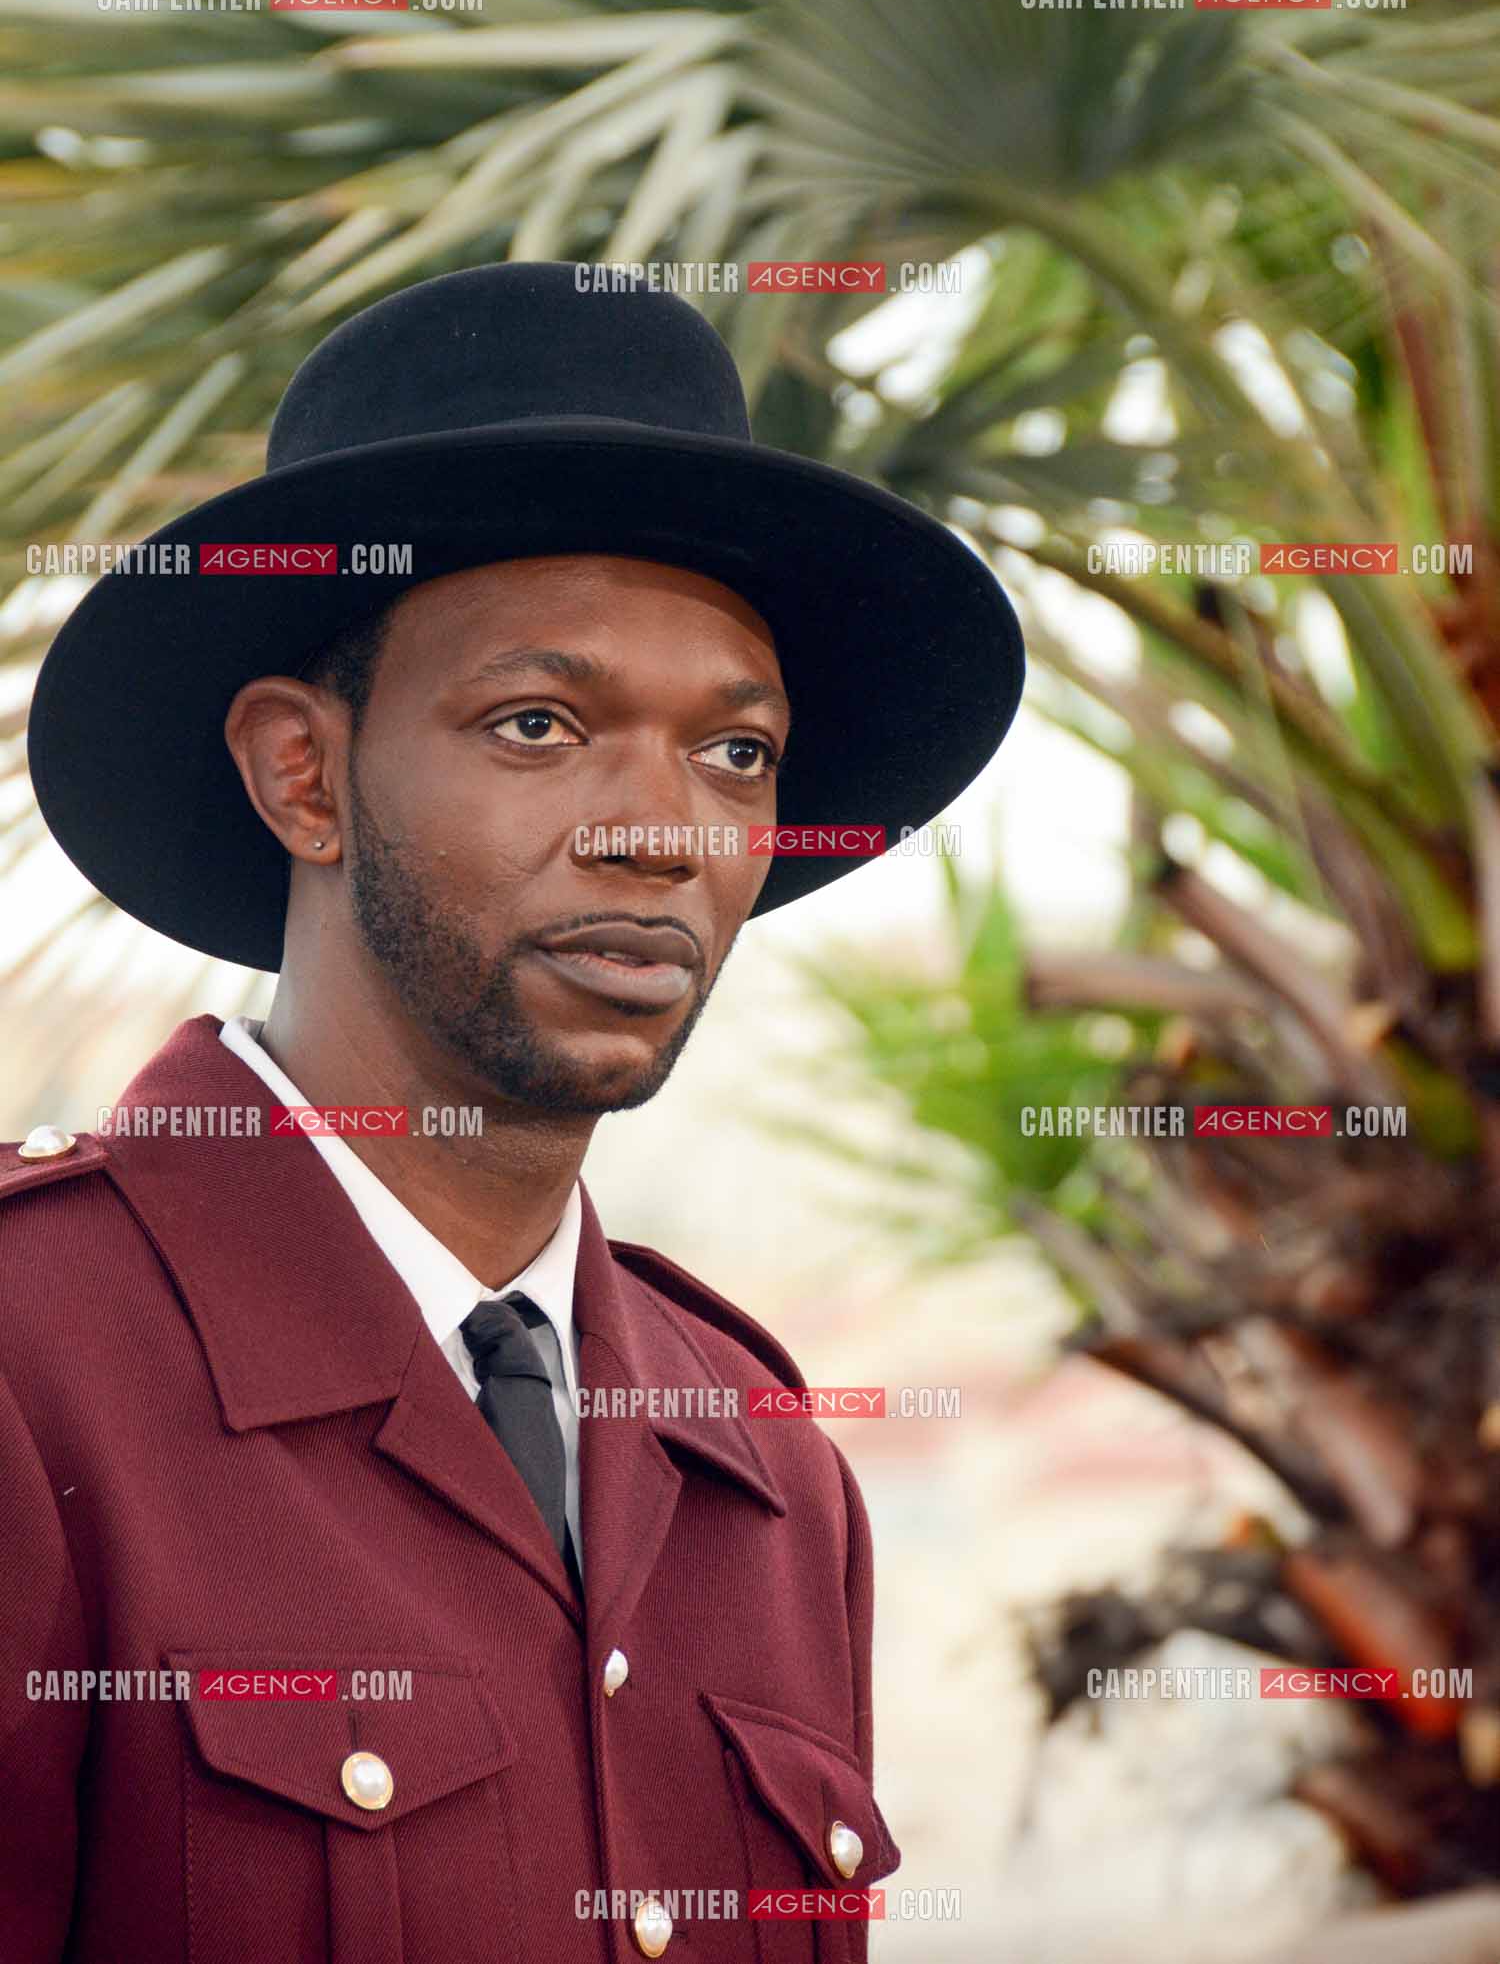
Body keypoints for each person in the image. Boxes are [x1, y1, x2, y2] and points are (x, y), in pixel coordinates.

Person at [3, 261, 1024, 1963]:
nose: (662, 830)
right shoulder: (38, 1367)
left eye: (738, 754)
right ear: (304, 775)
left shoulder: (764, 1462)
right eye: (540, 723)